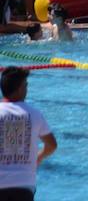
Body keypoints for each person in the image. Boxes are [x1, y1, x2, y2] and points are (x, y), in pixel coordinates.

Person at [0, 67, 57, 201]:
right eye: (26, 85)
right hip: (24, 185)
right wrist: (40, 156)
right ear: (19, 89)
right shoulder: (34, 113)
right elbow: (52, 145)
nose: (27, 89)